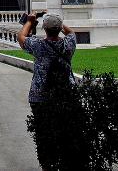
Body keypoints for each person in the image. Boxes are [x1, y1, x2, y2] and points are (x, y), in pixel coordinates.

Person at [18, 13, 77, 171]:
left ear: (44, 28)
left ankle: (48, 165)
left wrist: (30, 21)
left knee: (43, 133)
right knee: (65, 131)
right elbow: (71, 33)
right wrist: (58, 22)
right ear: (59, 28)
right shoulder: (69, 44)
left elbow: (21, 37)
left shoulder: (38, 45)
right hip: (66, 94)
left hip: (40, 96)